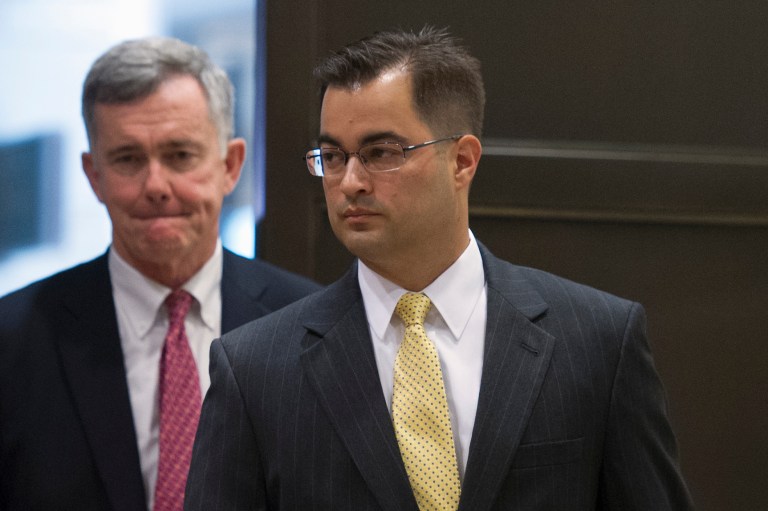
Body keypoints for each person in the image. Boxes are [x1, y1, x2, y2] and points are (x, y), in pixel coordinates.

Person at [184, 26, 694, 510]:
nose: (350, 182)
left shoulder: (598, 340)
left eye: (381, 152)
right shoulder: (255, 370)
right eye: (333, 156)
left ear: (463, 161)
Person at [0, 37, 320, 511]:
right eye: (128, 159)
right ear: (94, 175)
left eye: (180, 155)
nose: (156, 186)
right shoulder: (13, 339)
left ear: (230, 165)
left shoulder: (313, 329)